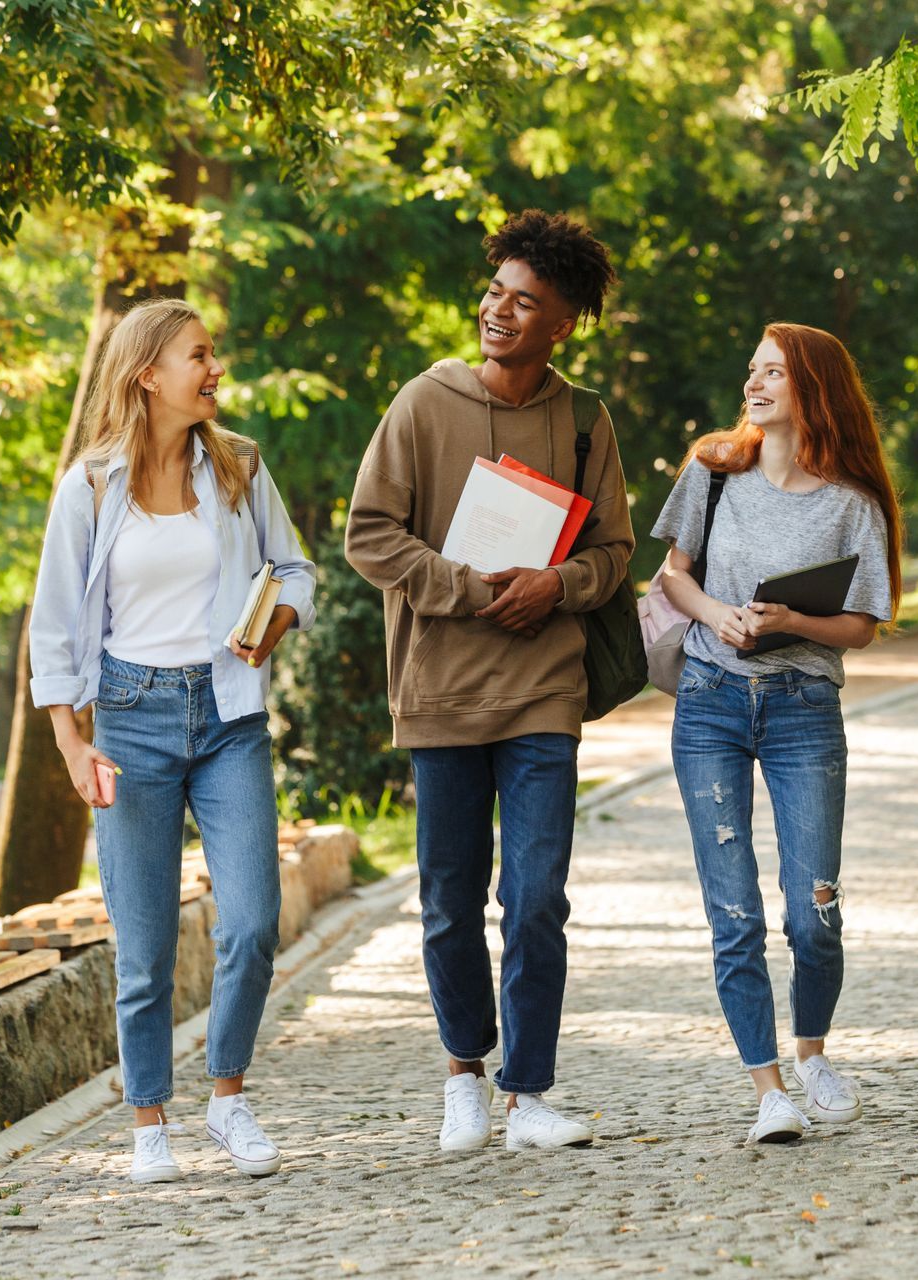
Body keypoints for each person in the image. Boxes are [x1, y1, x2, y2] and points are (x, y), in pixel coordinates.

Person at [344, 210, 633, 1153]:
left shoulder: (587, 420)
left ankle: (529, 1094)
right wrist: (468, 591)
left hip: (545, 691)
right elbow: (370, 534)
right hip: (440, 690)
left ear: (563, 324)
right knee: (448, 898)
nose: (499, 311)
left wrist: (557, 583)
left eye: (525, 302)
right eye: (495, 293)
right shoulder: (422, 403)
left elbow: (616, 553)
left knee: (539, 895)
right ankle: (464, 1070)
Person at [29, 297, 315, 1183]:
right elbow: (52, 626)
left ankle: (227, 1099)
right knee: (145, 942)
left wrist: (272, 627)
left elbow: (297, 568)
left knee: (256, 921)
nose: (215, 369)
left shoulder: (238, 466)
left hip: (227, 717)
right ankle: (149, 1119)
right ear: (149, 373)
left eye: (214, 354)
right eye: (200, 356)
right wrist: (73, 746)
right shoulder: (88, 487)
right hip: (129, 720)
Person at [651, 322, 902, 1145]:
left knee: (813, 909)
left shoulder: (852, 503)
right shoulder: (713, 472)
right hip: (711, 701)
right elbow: (672, 577)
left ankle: (814, 1053)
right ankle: (768, 1088)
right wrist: (719, 614)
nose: (754, 384)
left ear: (812, 390)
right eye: (751, 369)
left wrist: (792, 617)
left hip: (803, 708)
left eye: (773, 373)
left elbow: (863, 625)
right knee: (734, 913)